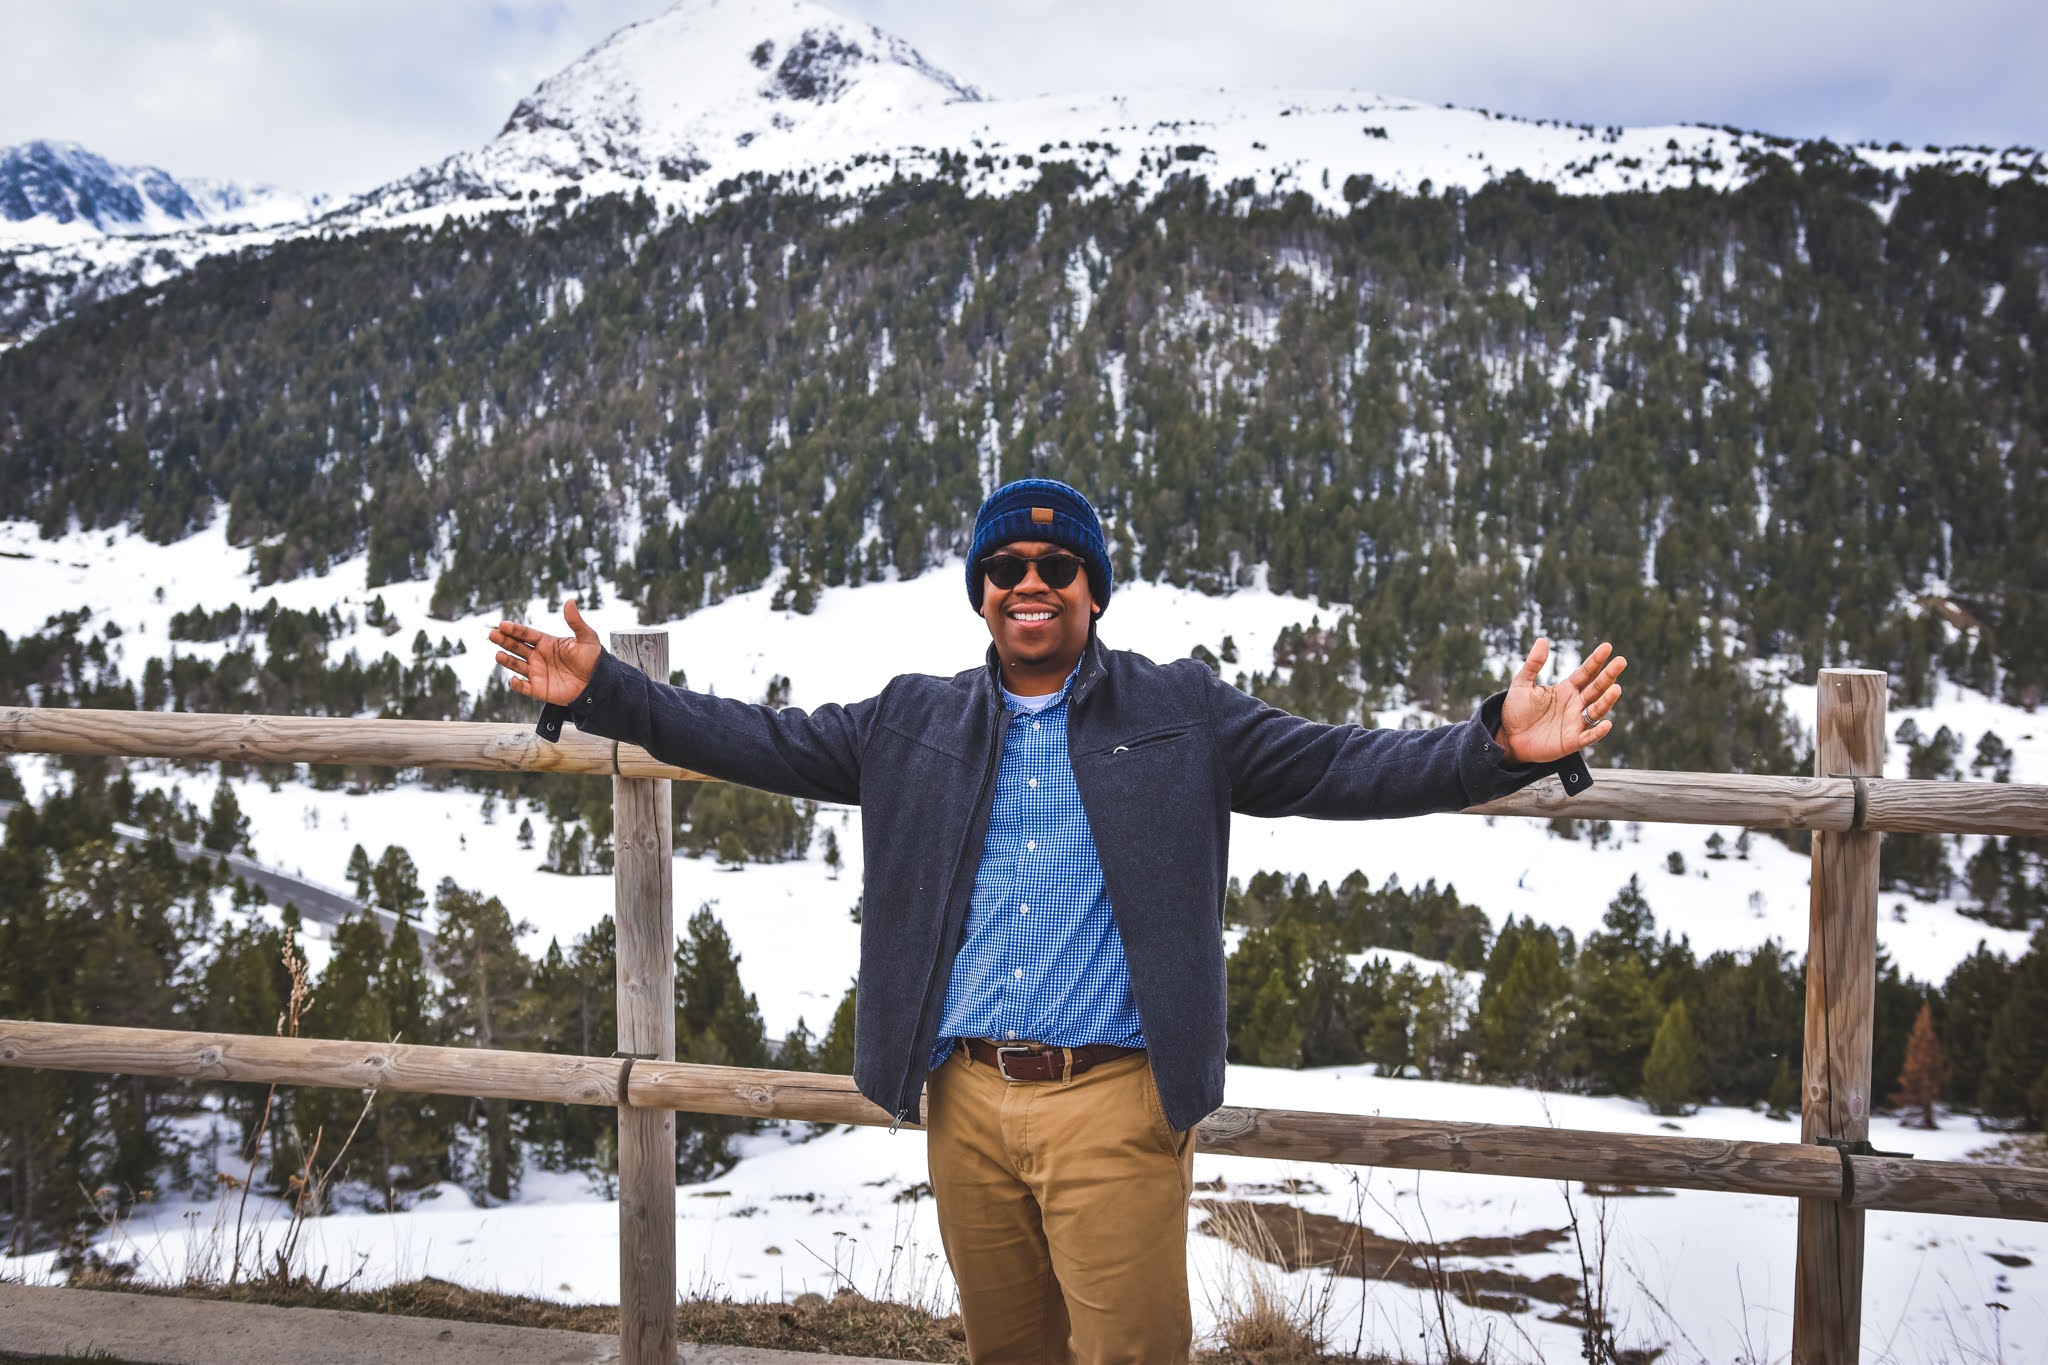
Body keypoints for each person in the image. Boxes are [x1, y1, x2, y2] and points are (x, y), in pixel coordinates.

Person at [489, 478, 1625, 1364]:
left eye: (1055, 565)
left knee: (1131, 1355)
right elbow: (755, 739)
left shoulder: (1181, 710)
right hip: (966, 1102)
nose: (1027, 583)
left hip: (1114, 1102)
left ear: (1094, 588)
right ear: (980, 592)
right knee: (1009, 1355)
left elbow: (1344, 765)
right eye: (1004, 567)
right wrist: (603, 690)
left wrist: (1493, 745)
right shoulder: (912, 721)